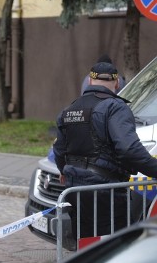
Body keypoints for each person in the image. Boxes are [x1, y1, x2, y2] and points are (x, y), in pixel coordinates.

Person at [53, 61, 157, 244]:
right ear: (117, 83)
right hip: (105, 191)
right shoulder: (115, 107)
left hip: (74, 189)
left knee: (86, 245)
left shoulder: (70, 109)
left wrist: (64, 171)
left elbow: (59, 150)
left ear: (90, 81)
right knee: (115, 248)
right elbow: (128, 149)